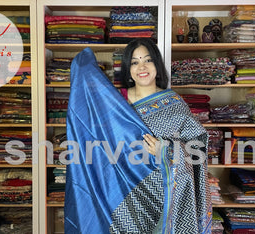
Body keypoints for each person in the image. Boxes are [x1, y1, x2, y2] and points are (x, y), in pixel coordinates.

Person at [64, 38, 212, 234]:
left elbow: (197, 146)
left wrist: (166, 148)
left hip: (164, 194)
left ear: (157, 65)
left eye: (147, 60)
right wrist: (83, 68)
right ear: (128, 69)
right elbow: (95, 134)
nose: (142, 66)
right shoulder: (116, 102)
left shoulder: (174, 103)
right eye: (134, 62)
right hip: (122, 192)